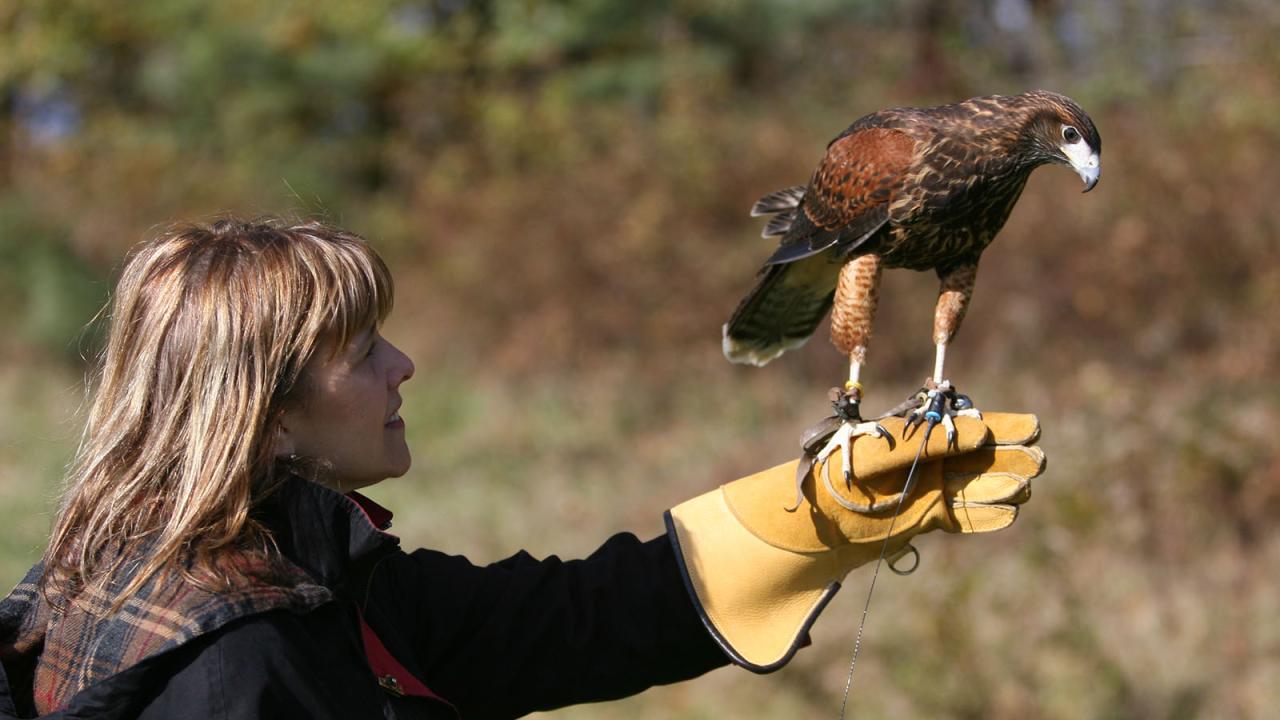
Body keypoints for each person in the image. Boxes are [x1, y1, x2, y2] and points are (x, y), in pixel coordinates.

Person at [0, 218, 1044, 719]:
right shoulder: (238, 666)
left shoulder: (272, 574)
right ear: (265, 417)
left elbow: (557, 624)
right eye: (363, 351)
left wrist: (813, 522)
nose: (403, 366)